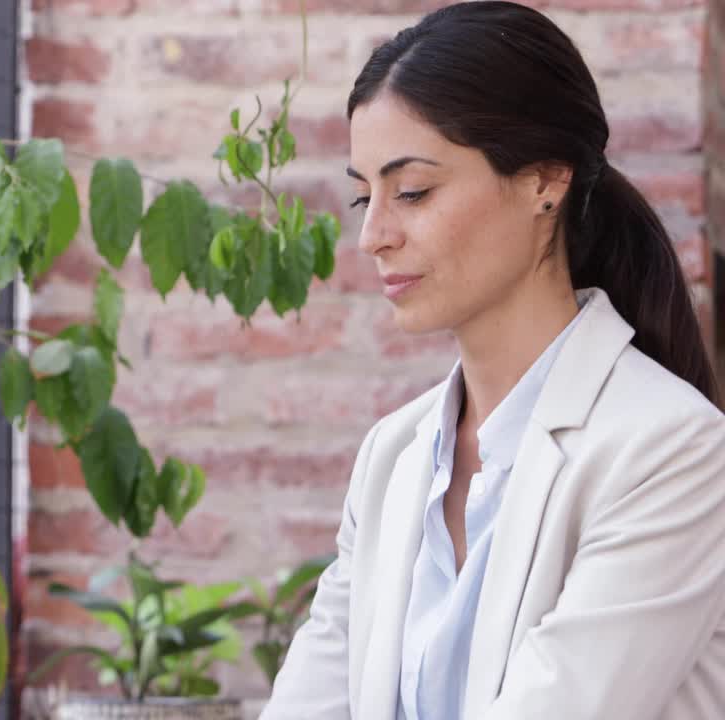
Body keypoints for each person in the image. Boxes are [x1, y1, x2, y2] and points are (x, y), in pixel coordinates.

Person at [258, 2, 725, 719]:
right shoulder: (392, 460)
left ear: (545, 180)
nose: (373, 235)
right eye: (364, 198)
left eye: (411, 191)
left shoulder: (672, 450)